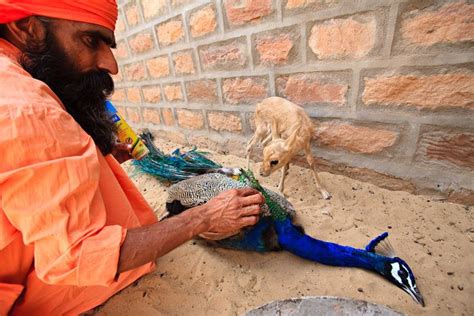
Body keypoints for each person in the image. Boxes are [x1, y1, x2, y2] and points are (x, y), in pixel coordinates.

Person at [0, 1, 264, 314]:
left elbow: (31, 169)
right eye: (90, 40)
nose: (111, 65)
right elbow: (76, 257)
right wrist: (205, 217)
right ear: (25, 27)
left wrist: (99, 158)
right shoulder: (27, 109)